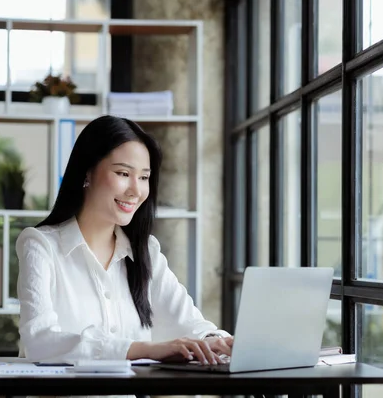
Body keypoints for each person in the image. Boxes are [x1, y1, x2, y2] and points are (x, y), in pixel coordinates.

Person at [16, 115, 233, 365]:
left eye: (144, 177)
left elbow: (188, 322)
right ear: (87, 172)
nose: (136, 190)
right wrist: (143, 349)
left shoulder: (146, 252)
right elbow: (40, 341)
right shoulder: (41, 246)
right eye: (123, 173)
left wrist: (216, 340)